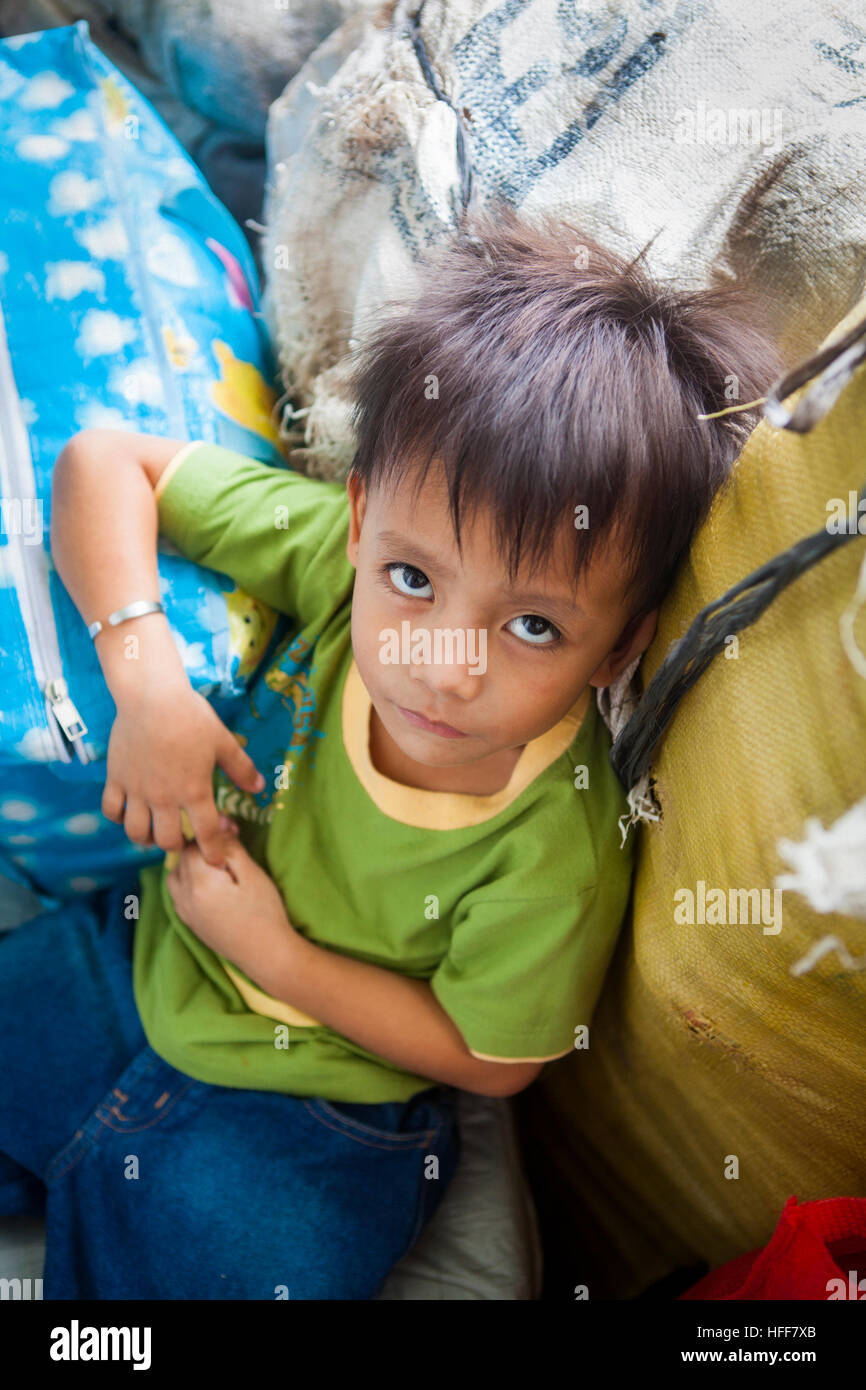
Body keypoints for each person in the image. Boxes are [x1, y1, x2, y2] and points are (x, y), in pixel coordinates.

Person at [0, 205, 783, 1299]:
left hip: (315, 1117)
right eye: (413, 580)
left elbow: (497, 1058)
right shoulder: (340, 555)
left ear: (620, 649)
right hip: (139, 960)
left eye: (533, 626)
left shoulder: (554, 844)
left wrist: (277, 957)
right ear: (363, 520)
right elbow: (102, 462)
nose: (444, 662)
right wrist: (148, 689)